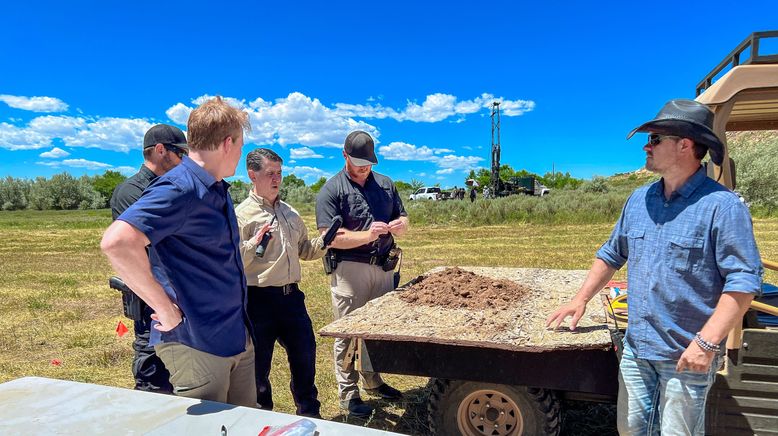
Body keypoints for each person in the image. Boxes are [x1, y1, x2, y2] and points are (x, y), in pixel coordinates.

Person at [546, 99, 762, 435]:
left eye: (655, 139)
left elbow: (744, 281)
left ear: (685, 145)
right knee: (631, 430)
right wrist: (581, 299)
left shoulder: (722, 207)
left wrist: (706, 344)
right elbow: (611, 253)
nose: (646, 146)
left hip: (687, 355)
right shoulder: (639, 200)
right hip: (637, 349)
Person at [101, 97, 256, 407]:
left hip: (231, 335)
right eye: (240, 146)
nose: (241, 154)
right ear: (227, 143)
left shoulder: (214, 187)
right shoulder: (180, 187)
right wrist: (166, 309)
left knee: (245, 422)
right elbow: (116, 242)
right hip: (198, 342)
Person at [315, 130, 409, 418]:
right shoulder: (332, 190)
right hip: (350, 269)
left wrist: (401, 225)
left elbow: (402, 216)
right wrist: (367, 235)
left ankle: (373, 381)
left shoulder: (385, 185)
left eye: (368, 162)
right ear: (344, 156)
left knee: (376, 331)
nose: (364, 168)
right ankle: (349, 393)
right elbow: (329, 238)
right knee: (348, 332)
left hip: (383, 267)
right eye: (357, 162)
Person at [236, 148, 326, 418]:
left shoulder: (290, 213)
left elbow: (305, 250)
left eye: (280, 173)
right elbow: (233, 261)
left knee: (305, 359)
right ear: (252, 175)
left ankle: (310, 415)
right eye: (270, 173)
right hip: (258, 301)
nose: (277, 179)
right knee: (258, 369)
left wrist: (326, 242)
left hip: (291, 299)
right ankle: (262, 419)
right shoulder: (241, 215)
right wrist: (254, 243)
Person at [109, 124, 189, 393]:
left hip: (175, 294)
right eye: (180, 153)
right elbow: (143, 249)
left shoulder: (168, 188)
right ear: (160, 150)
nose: (184, 160)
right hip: (149, 301)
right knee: (153, 372)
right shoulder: (132, 192)